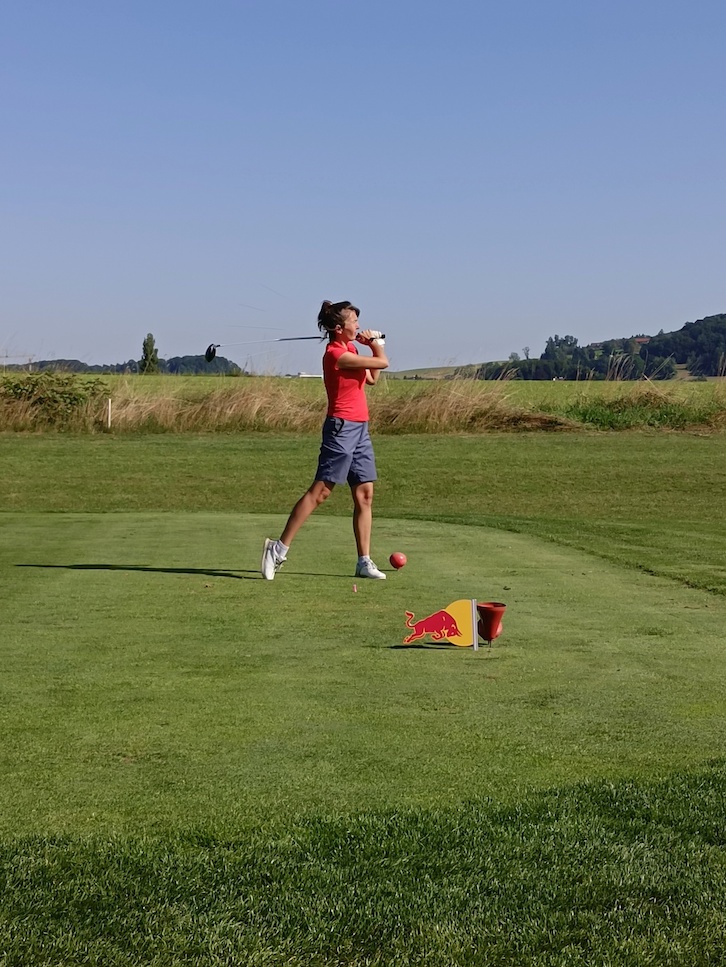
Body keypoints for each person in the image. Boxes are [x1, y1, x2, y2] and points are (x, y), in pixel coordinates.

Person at [261, 300, 389, 581]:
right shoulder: (336, 355)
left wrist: (369, 346)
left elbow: (372, 378)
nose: (359, 325)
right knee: (321, 492)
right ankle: (277, 549)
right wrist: (376, 344)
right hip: (341, 428)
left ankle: (363, 561)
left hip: (361, 428)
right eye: (354, 322)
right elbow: (383, 362)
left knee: (365, 494)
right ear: (338, 328)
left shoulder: (351, 349)